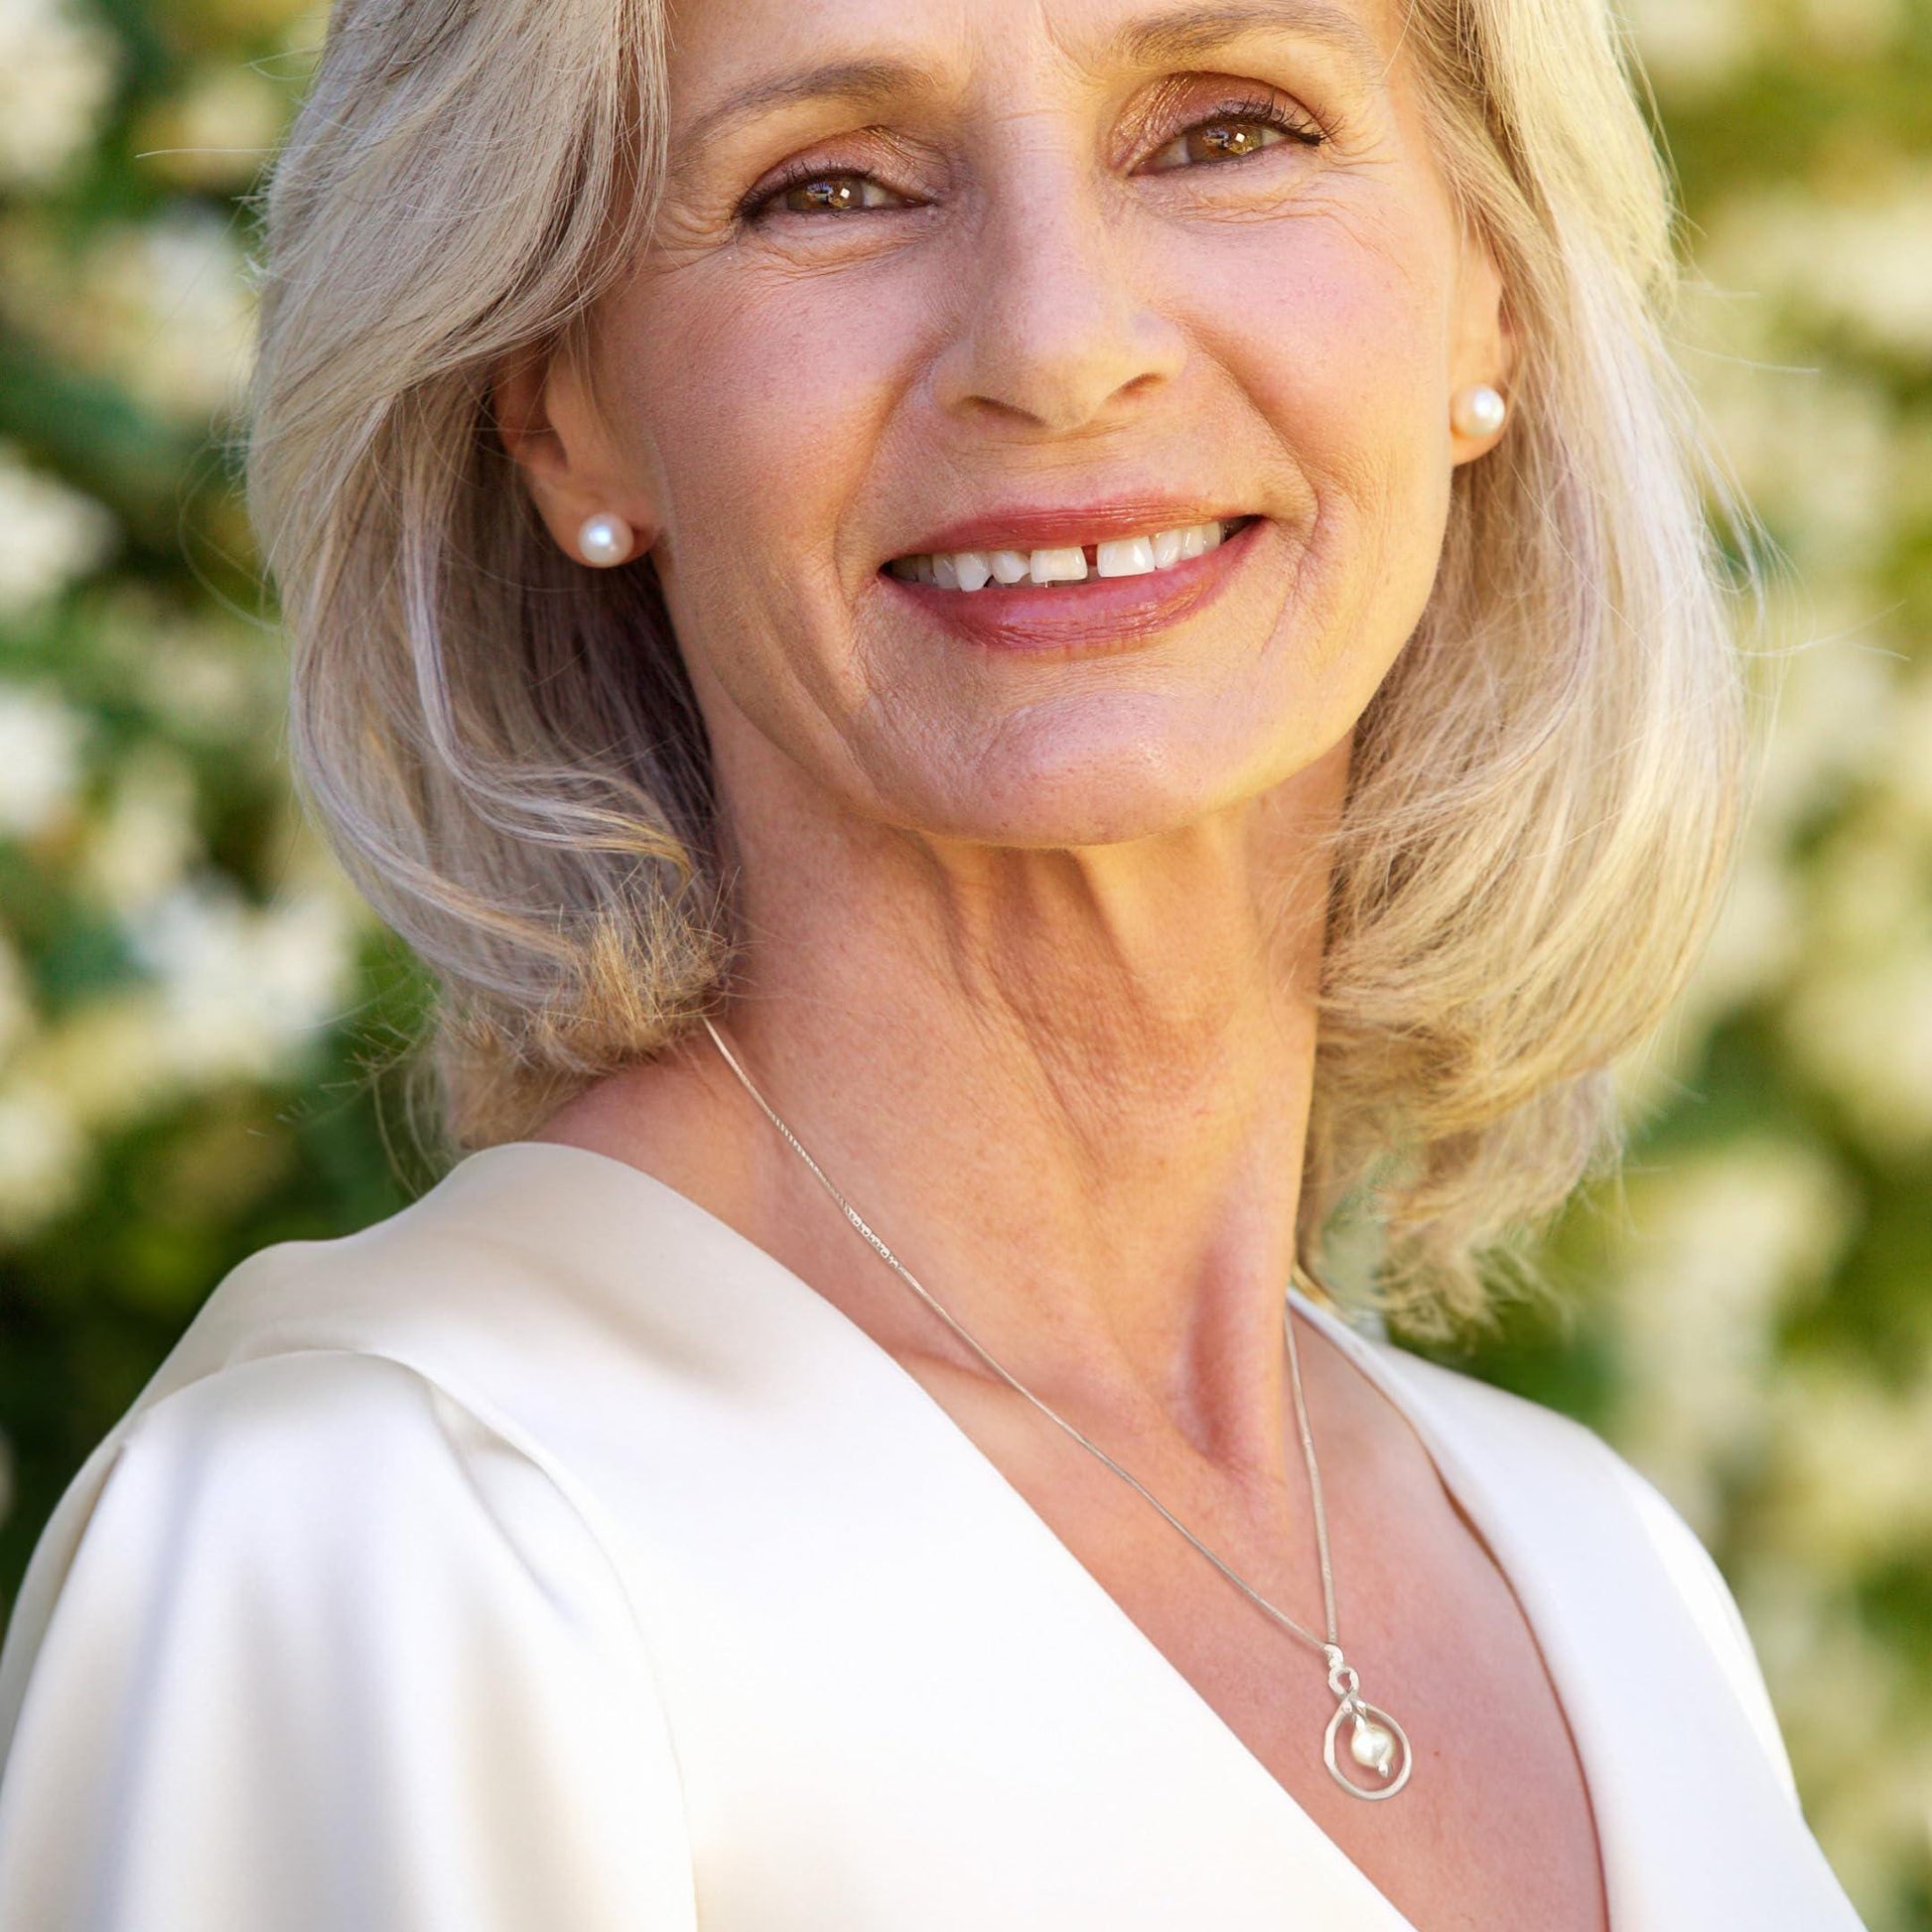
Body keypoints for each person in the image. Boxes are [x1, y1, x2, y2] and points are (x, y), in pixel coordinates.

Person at [0, 0, 1868, 1923]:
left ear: (1490, 293)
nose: (1057, 347)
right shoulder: (385, 1542)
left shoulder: (1604, 1580)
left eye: (1226, 131)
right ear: (559, 405)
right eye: (827, 186)